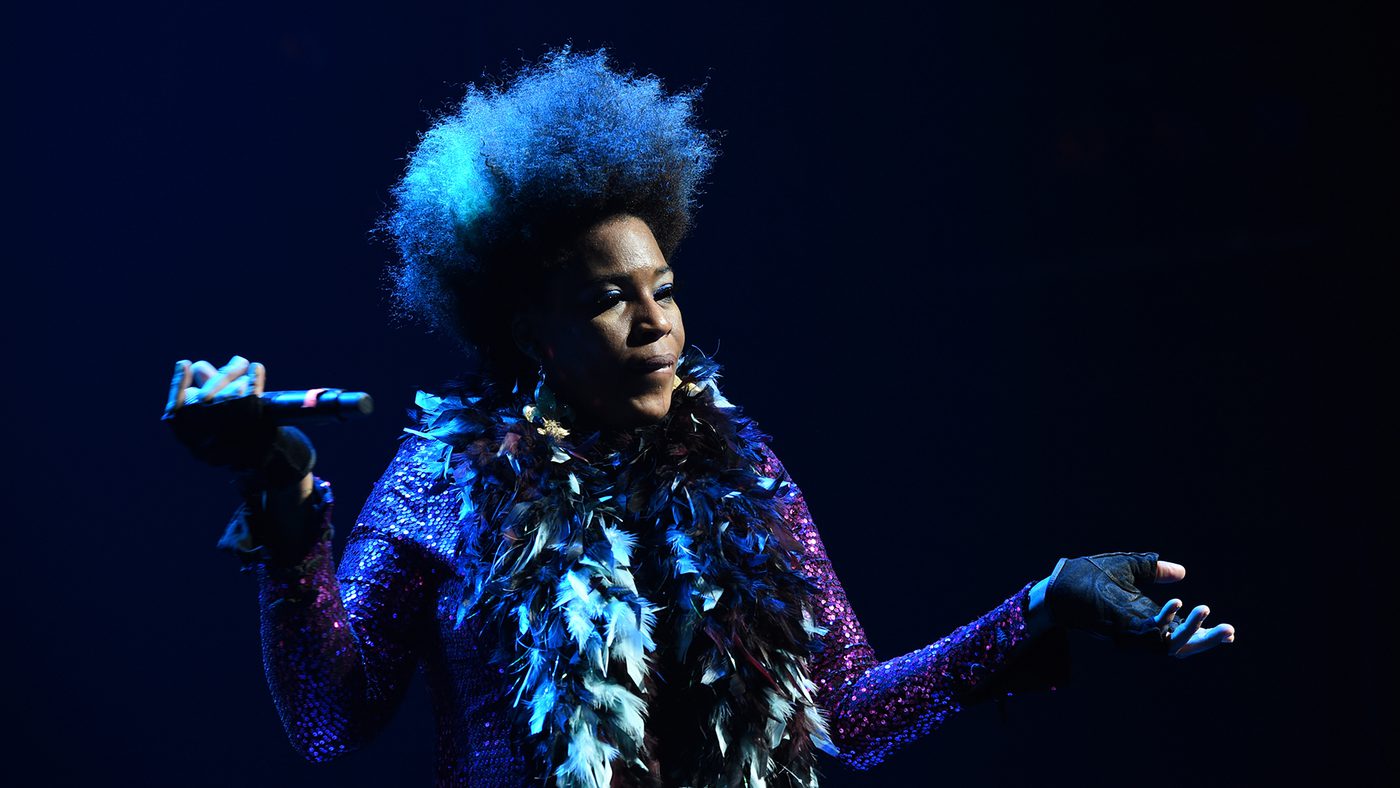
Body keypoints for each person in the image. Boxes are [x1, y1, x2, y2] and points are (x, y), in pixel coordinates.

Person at [162, 47, 1235, 788]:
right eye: (604, 299)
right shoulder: (441, 484)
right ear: (527, 330)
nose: (651, 323)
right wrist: (281, 496)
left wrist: (1043, 606)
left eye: (663, 288)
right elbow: (327, 722)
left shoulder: (742, 466)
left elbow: (846, 713)